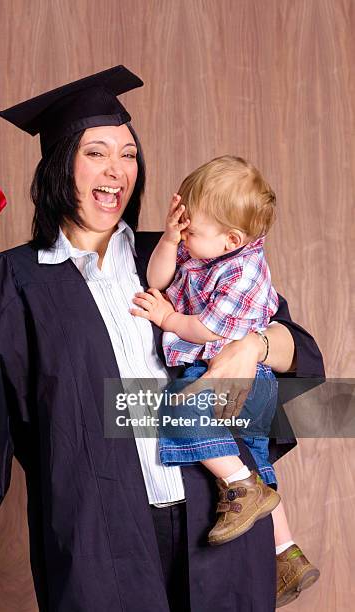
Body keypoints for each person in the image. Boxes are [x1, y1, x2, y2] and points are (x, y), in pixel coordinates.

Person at [0, 66, 324, 612]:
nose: (117, 169)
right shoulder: (17, 279)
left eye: (129, 154)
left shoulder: (182, 255)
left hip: (219, 519)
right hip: (98, 540)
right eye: (96, 152)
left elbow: (299, 353)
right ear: (62, 163)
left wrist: (254, 345)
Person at [129, 155, 320, 606]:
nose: (184, 235)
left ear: (233, 238)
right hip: (239, 379)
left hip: (238, 377)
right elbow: (158, 277)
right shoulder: (202, 247)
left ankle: (240, 487)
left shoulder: (243, 270)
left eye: (191, 230)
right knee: (252, 456)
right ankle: (285, 552)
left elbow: (208, 328)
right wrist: (174, 237)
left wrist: (168, 317)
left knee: (180, 410)